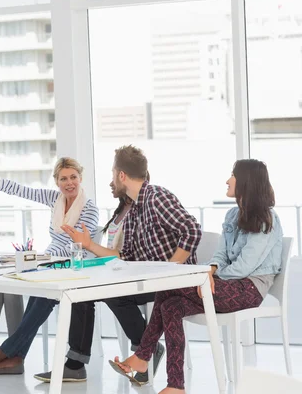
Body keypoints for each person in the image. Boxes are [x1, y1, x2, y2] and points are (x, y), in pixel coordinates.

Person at [0, 145, 201, 383]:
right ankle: (85, 361)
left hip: (170, 280)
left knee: (99, 291)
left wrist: (171, 270)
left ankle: (143, 350)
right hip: (143, 275)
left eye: (113, 173)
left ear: (121, 175)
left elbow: (192, 230)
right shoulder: (132, 211)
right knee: (89, 293)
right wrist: (89, 244)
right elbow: (123, 254)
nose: (111, 179)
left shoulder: (155, 196)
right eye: (63, 178)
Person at [109, 159, 283, 394]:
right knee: (170, 305)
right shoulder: (233, 215)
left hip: (250, 289)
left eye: (232, 175)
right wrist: (209, 270)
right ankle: (175, 385)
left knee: (169, 288)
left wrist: (207, 276)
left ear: (247, 182)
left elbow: (244, 267)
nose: (227, 180)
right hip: (226, 284)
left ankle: (142, 356)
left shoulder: (267, 220)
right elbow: (220, 254)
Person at [0, 158, 99, 358]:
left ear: (80, 178)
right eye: (63, 179)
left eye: (73, 177)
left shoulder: (89, 209)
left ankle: (10, 351)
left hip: (65, 266)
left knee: (12, 282)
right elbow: (14, 188)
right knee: (6, 280)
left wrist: (42, 258)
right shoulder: (55, 200)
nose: (69, 183)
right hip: (47, 261)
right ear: (56, 182)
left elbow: (77, 247)